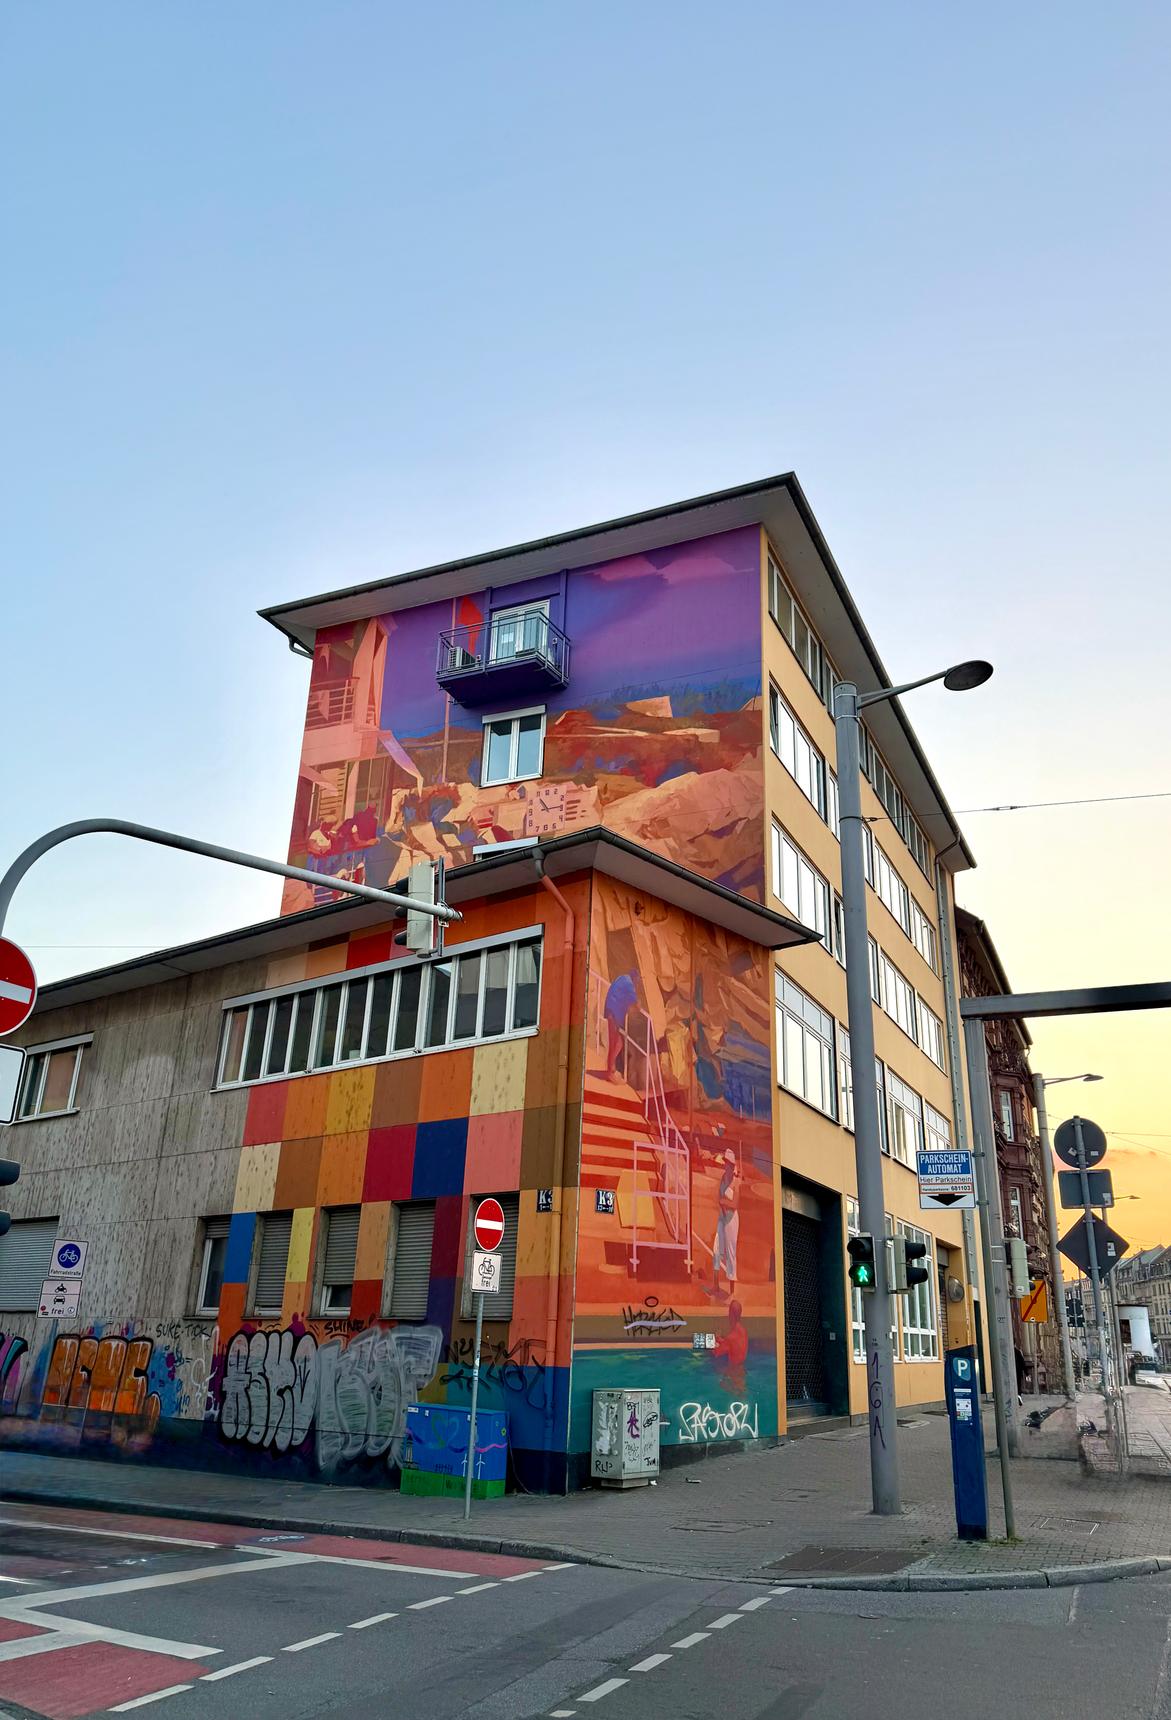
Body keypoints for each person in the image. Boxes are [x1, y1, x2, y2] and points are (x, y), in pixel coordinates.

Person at [711, 1147, 739, 1300]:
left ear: (732, 1166)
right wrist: (721, 1203)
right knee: (716, 1250)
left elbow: (735, 1204)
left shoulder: (736, 1183)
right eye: (725, 1163)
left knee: (730, 1253)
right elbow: (718, 1196)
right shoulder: (723, 1178)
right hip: (722, 1218)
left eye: (728, 1164)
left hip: (732, 1220)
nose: (726, 1166)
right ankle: (715, 1285)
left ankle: (732, 1291)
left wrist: (723, 1202)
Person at [603, 971, 639, 1083]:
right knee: (615, 1043)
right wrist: (637, 1008)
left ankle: (611, 1068)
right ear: (635, 978)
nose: (638, 983)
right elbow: (636, 1003)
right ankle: (610, 1072)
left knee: (618, 1043)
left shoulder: (622, 979)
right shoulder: (629, 983)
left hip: (613, 1012)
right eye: (638, 981)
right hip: (613, 1013)